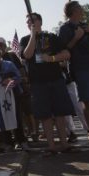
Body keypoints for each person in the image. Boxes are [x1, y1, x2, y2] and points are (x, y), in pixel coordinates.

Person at [21, 13, 74, 154]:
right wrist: (33, 35)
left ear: (40, 21)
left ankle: (64, 144)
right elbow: (27, 55)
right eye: (27, 22)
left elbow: (67, 54)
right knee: (45, 115)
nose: (29, 23)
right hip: (38, 82)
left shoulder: (51, 37)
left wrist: (51, 58)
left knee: (60, 113)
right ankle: (51, 146)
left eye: (32, 20)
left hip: (55, 79)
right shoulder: (25, 39)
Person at [58, 1, 89, 147]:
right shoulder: (65, 29)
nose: (82, 9)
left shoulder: (84, 24)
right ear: (73, 11)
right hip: (81, 68)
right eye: (79, 7)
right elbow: (64, 50)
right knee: (87, 101)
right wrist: (76, 37)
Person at [0, 46, 22, 151]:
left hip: (13, 93)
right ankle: (8, 143)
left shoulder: (9, 64)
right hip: (0, 97)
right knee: (2, 118)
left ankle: (21, 141)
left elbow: (18, 76)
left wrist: (11, 80)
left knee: (16, 117)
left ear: (0, 56)